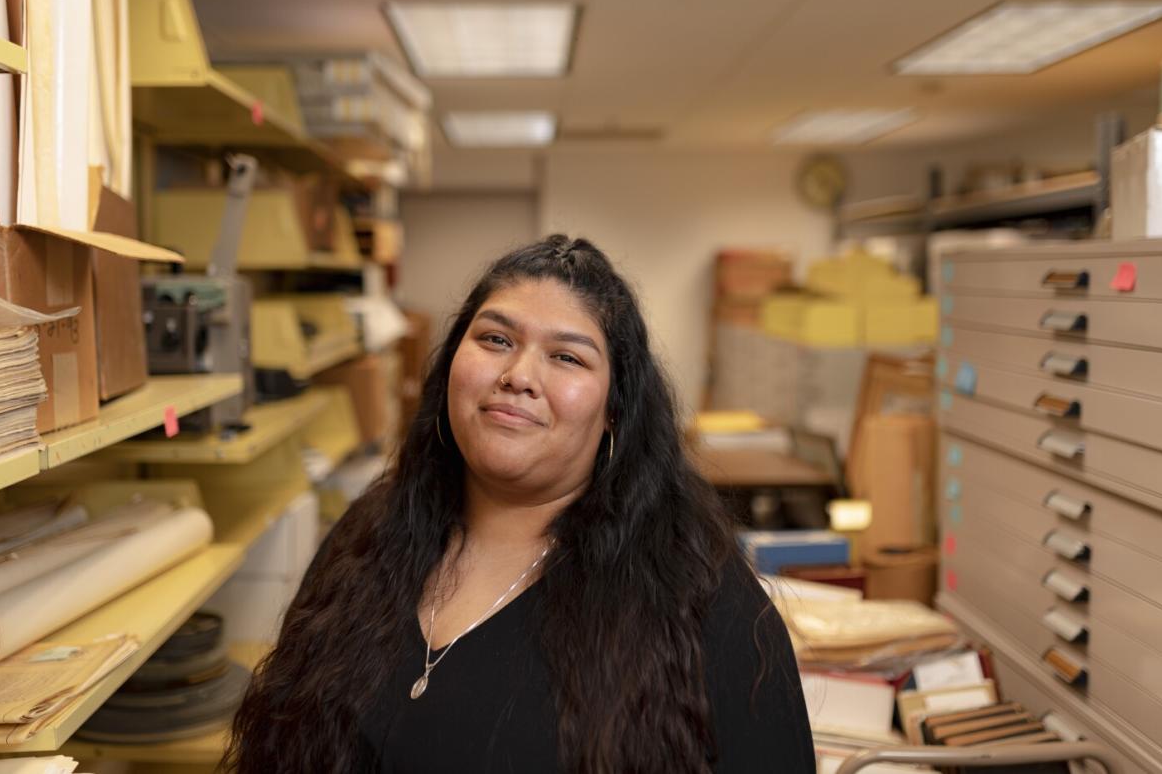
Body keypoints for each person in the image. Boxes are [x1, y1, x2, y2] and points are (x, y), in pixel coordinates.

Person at [225, 235, 814, 773]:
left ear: (615, 411)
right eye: (495, 339)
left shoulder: (701, 592)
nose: (518, 374)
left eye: (566, 357)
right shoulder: (366, 536)